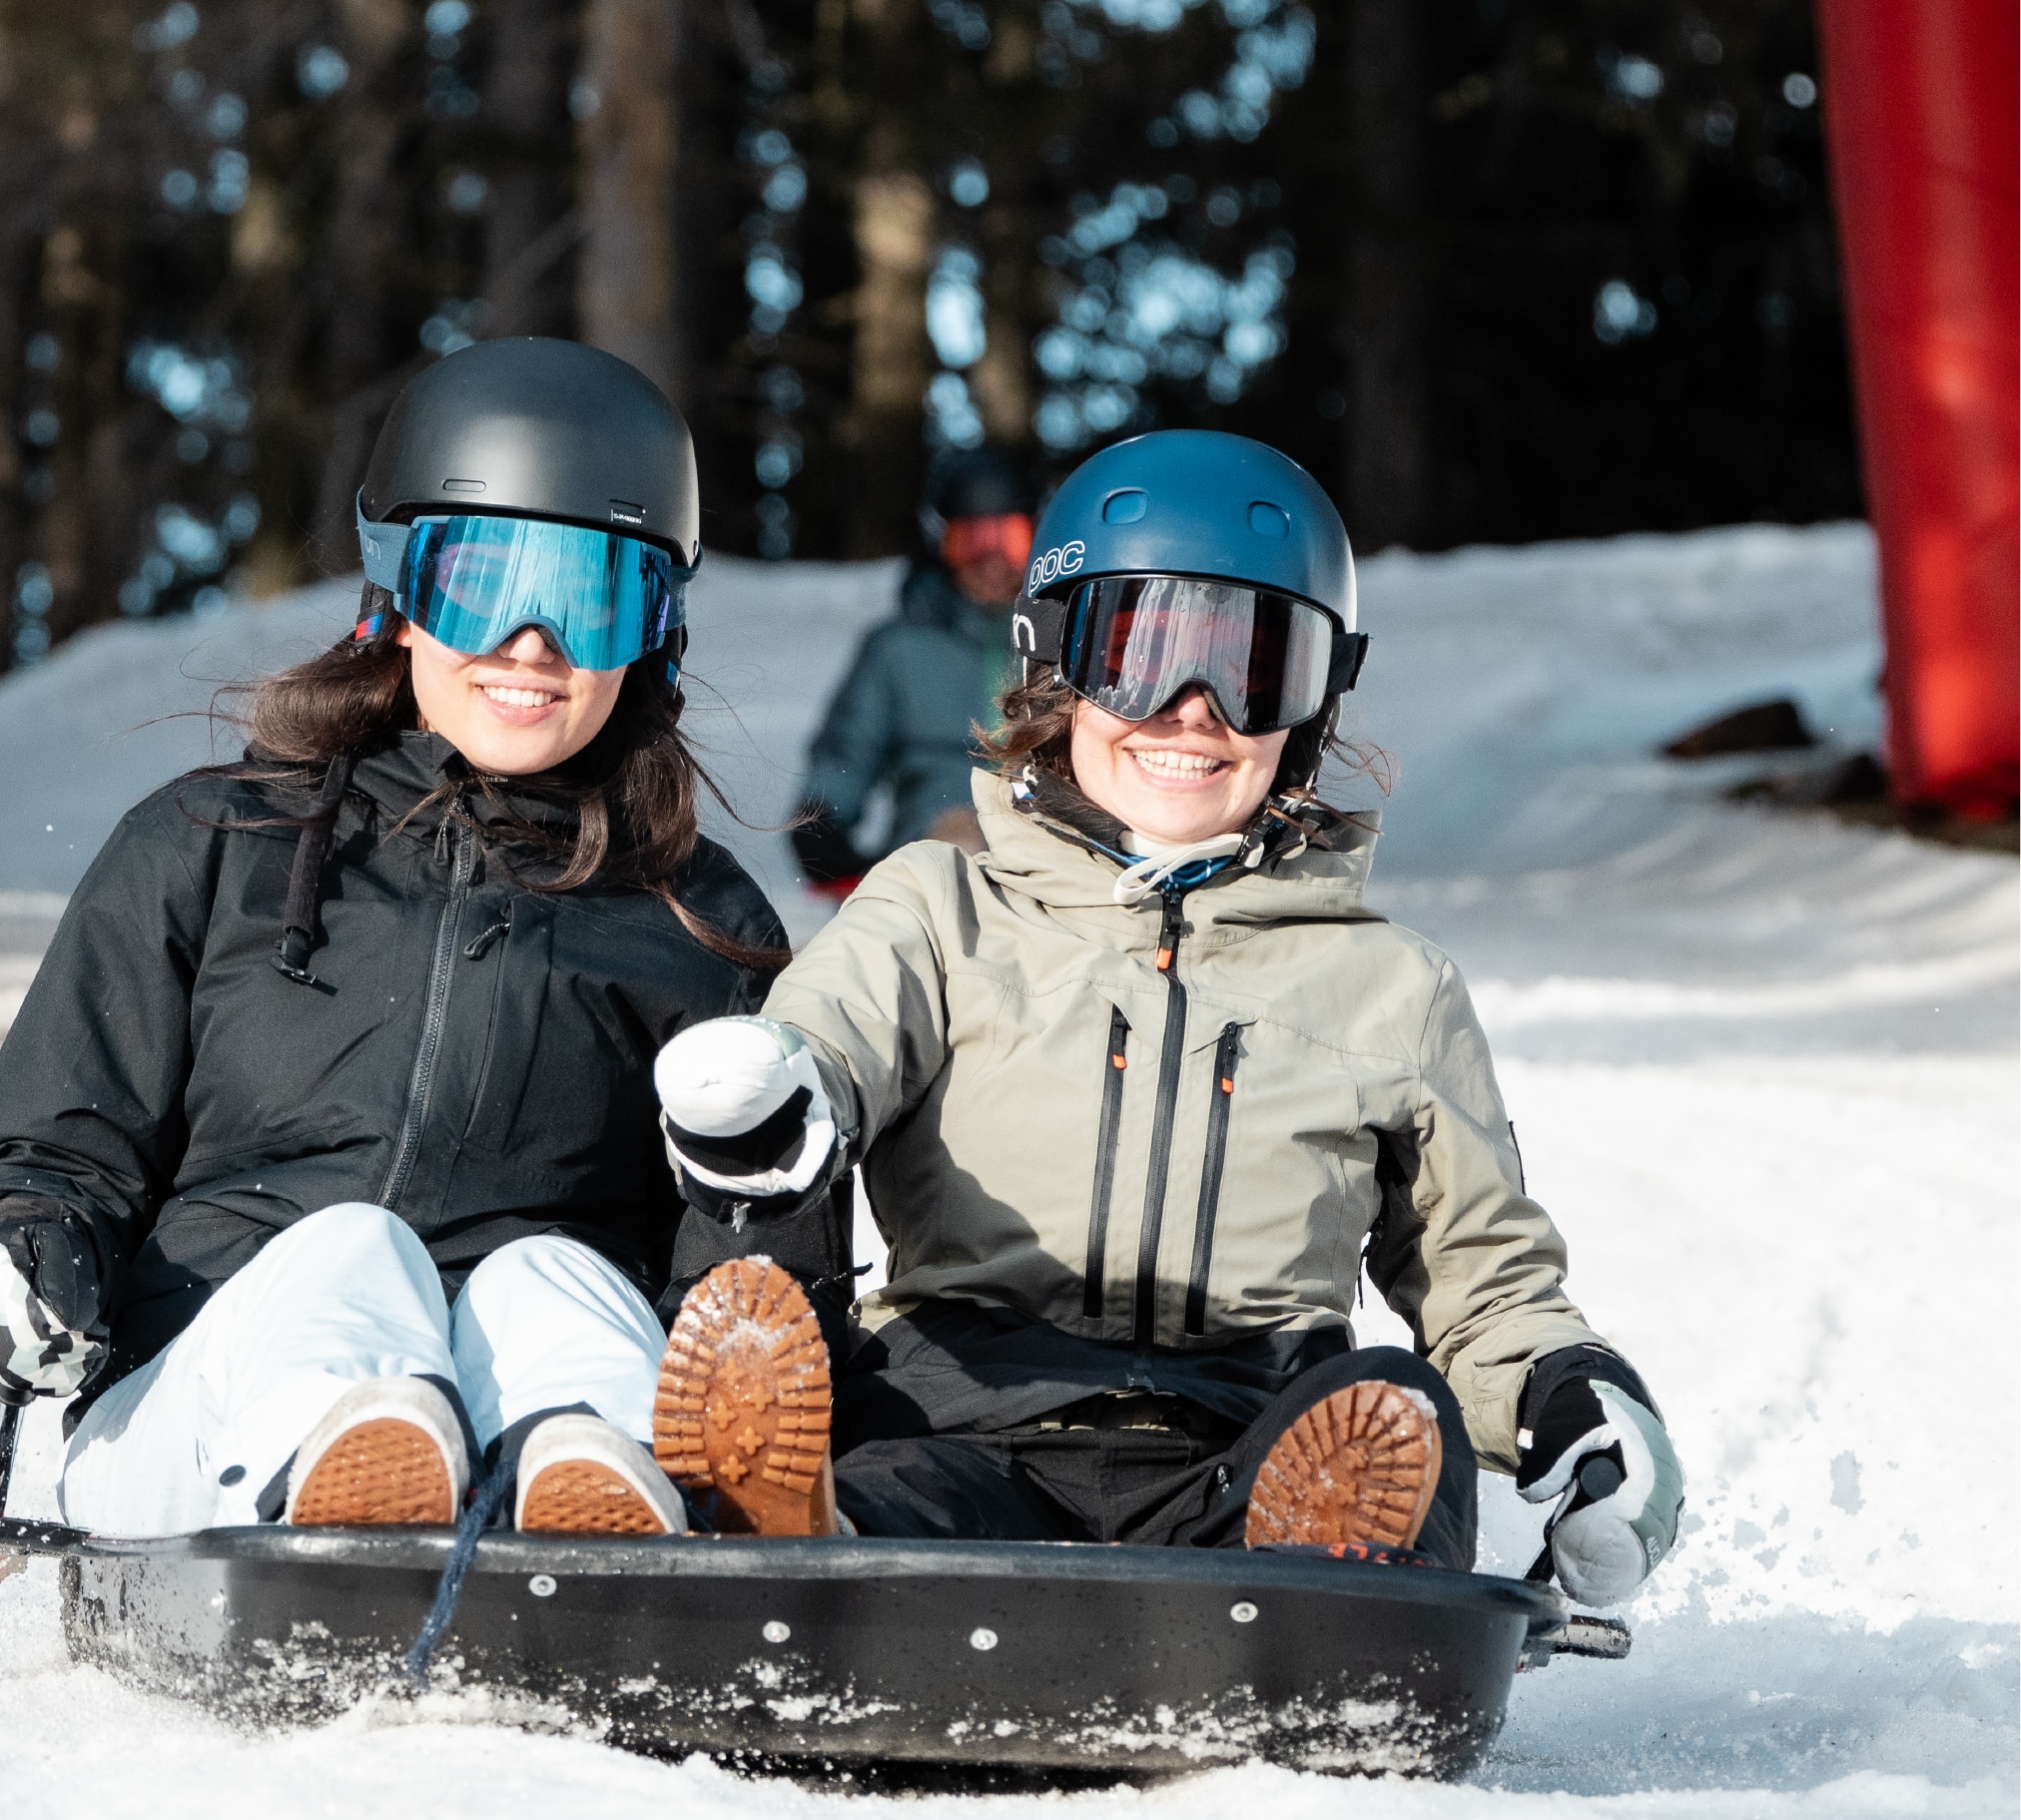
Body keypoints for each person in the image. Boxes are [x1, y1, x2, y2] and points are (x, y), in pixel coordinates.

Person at [651, 430, 1686, 1607]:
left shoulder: (1391, 986)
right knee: (902, 1485)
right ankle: (801, 1537)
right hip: (958, 1413)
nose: (1192, 712)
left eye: (1252, 666)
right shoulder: (939, 907)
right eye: (1138, 652)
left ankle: (1323, 1572)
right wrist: (773, 1081)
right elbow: (831, 1039)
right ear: (1054, 665)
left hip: (1250, 1441)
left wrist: (1572, 1396)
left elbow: (1480, 1274)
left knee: (1397, 1413)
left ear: (1311, 700)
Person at [0, 337, 842, 1542]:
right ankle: (346, 1452)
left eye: (588, 597)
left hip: (504, 1414)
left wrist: (767, 1205)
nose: (530, 644)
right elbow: (51, 1145)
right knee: (347, 1251)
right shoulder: (210, 842)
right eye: (480, 585)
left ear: (653, 630)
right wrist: (28, 1245)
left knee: (551, 1276)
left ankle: (595, 1492)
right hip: (195, 1414)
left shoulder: (696, 921)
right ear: (399, 594)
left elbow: (740, 1283)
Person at [791, 442, 1033, 896]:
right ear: (940, 544)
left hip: (1047, 835)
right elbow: (850, 746)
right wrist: (822, 821)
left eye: (1010, 539)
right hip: (938, 830)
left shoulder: (1062, 644)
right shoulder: (902, 647)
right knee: (960, 845)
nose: (992, 560)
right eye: (971, 542)